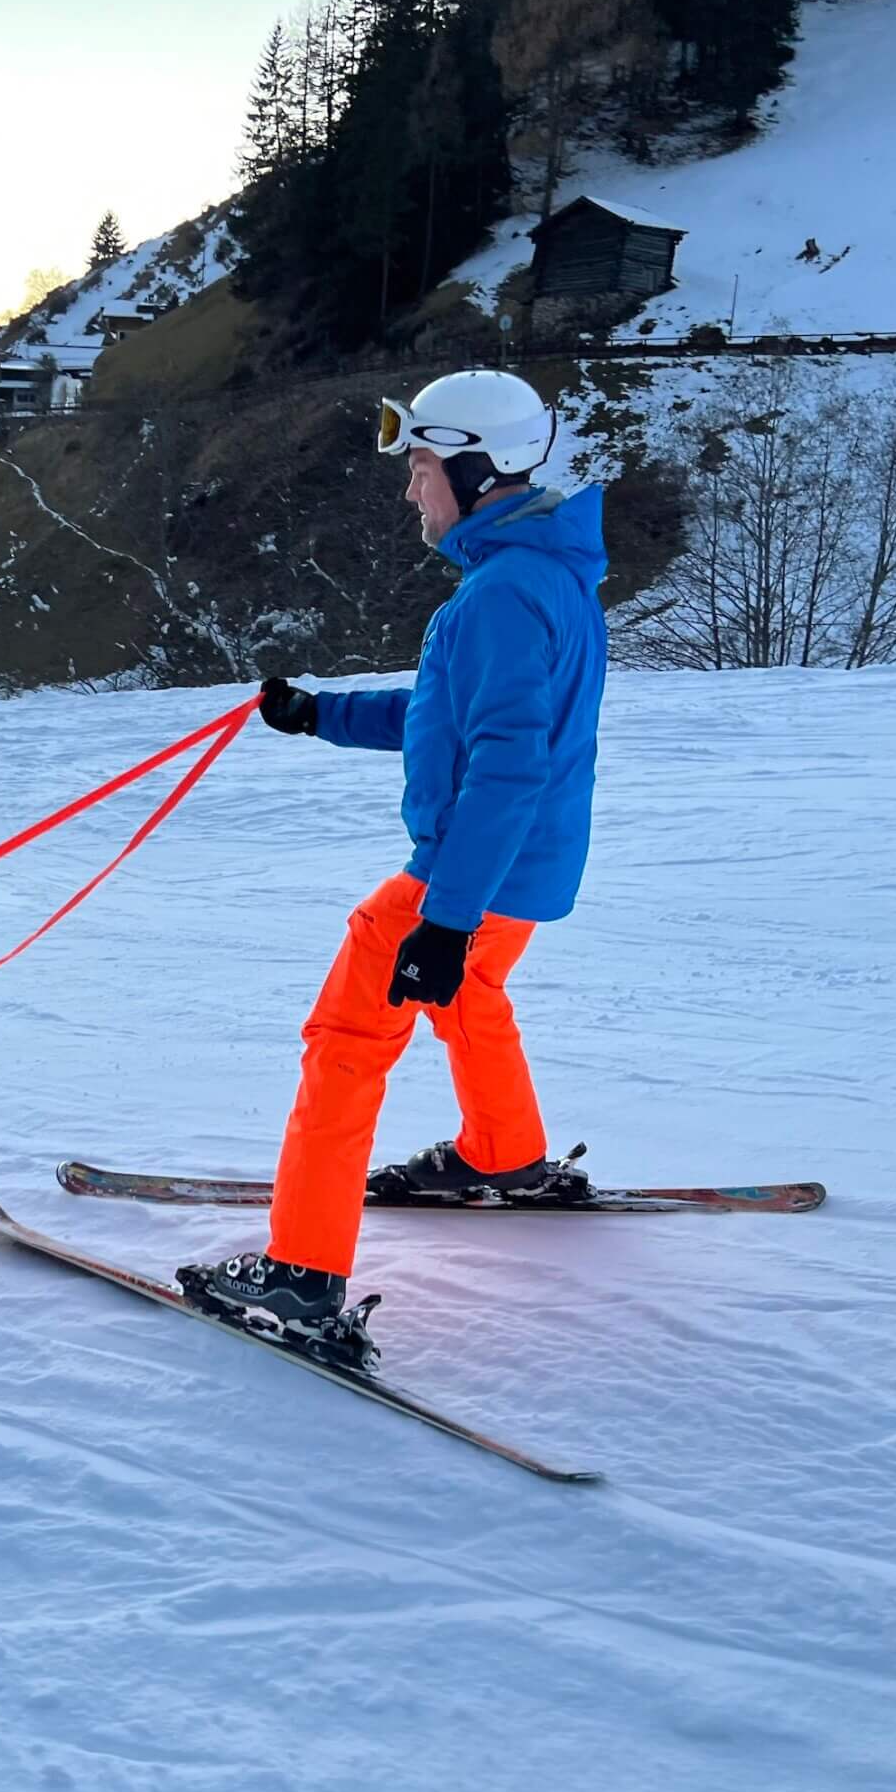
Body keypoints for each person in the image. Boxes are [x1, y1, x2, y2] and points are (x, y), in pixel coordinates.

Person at [178, 369, 609, 1357]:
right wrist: (318, 715)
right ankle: (503, 1156)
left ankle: (301, 1275)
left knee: (345, 1043)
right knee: (470, 1002)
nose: (410, 489)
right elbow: (445, 720)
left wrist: (444, 920)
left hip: (469, 874)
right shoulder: (541, 577)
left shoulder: (498, 597)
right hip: (521, 874)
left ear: (474, 467)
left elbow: (506, 767)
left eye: (419, 466)